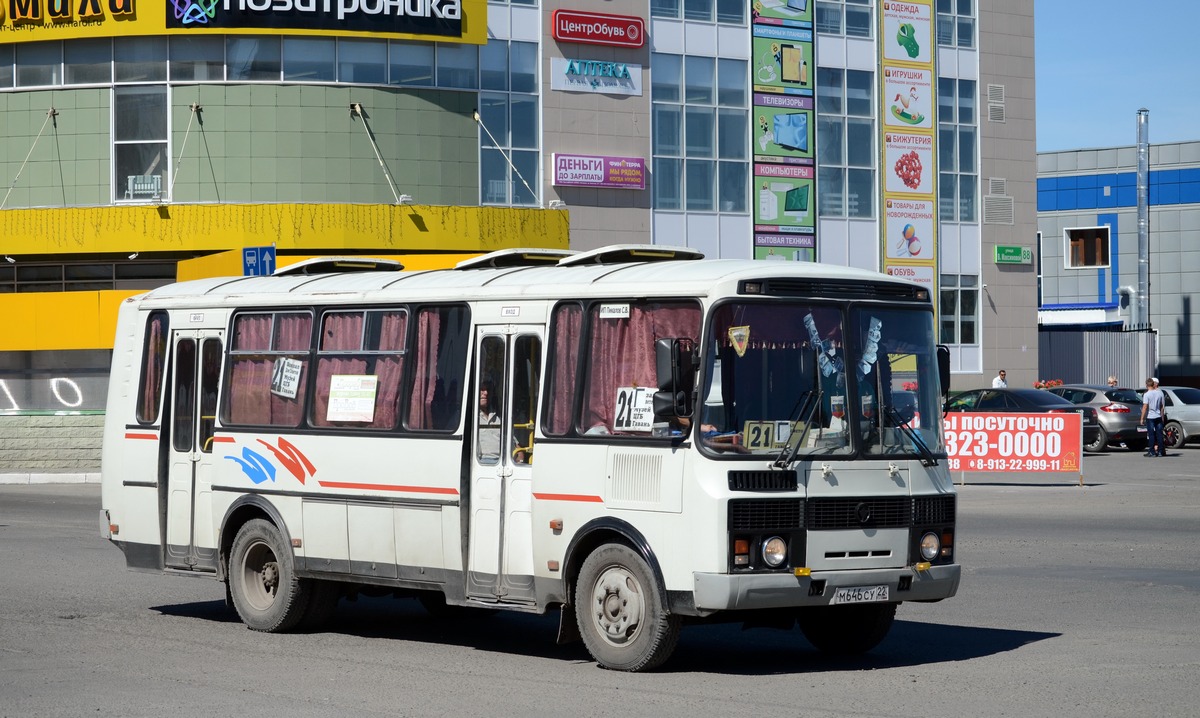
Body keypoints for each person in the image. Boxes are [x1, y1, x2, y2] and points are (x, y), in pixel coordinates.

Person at [1139, 377, 1166, 457]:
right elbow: (1161, 406)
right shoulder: (1159, 393)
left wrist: (1142, 418)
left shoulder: (1147, 394)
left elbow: (1145, 407)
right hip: (1158, 416)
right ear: (1153, 384)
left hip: (1150, 416)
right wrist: (1162, 416)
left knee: (1151, 435)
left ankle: (1152, 451)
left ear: (1146, 385)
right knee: (1159, 434)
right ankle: (1161, 451)